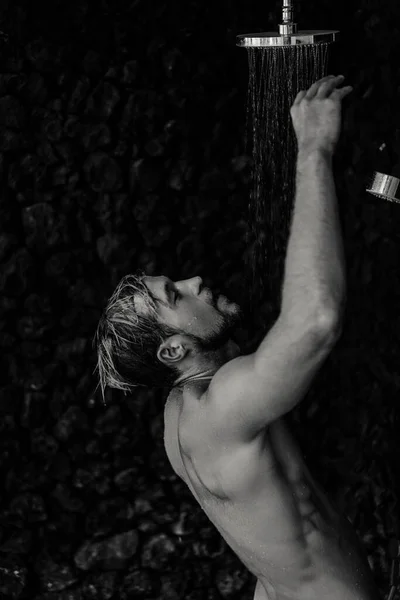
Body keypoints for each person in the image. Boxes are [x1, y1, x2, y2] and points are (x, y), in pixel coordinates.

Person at [95, 75, 382, 600]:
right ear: (173, 350)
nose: (194, 279)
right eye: (176, 296)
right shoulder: (224, 405)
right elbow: (315, 320)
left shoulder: (180, 417)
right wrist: (313, 149)